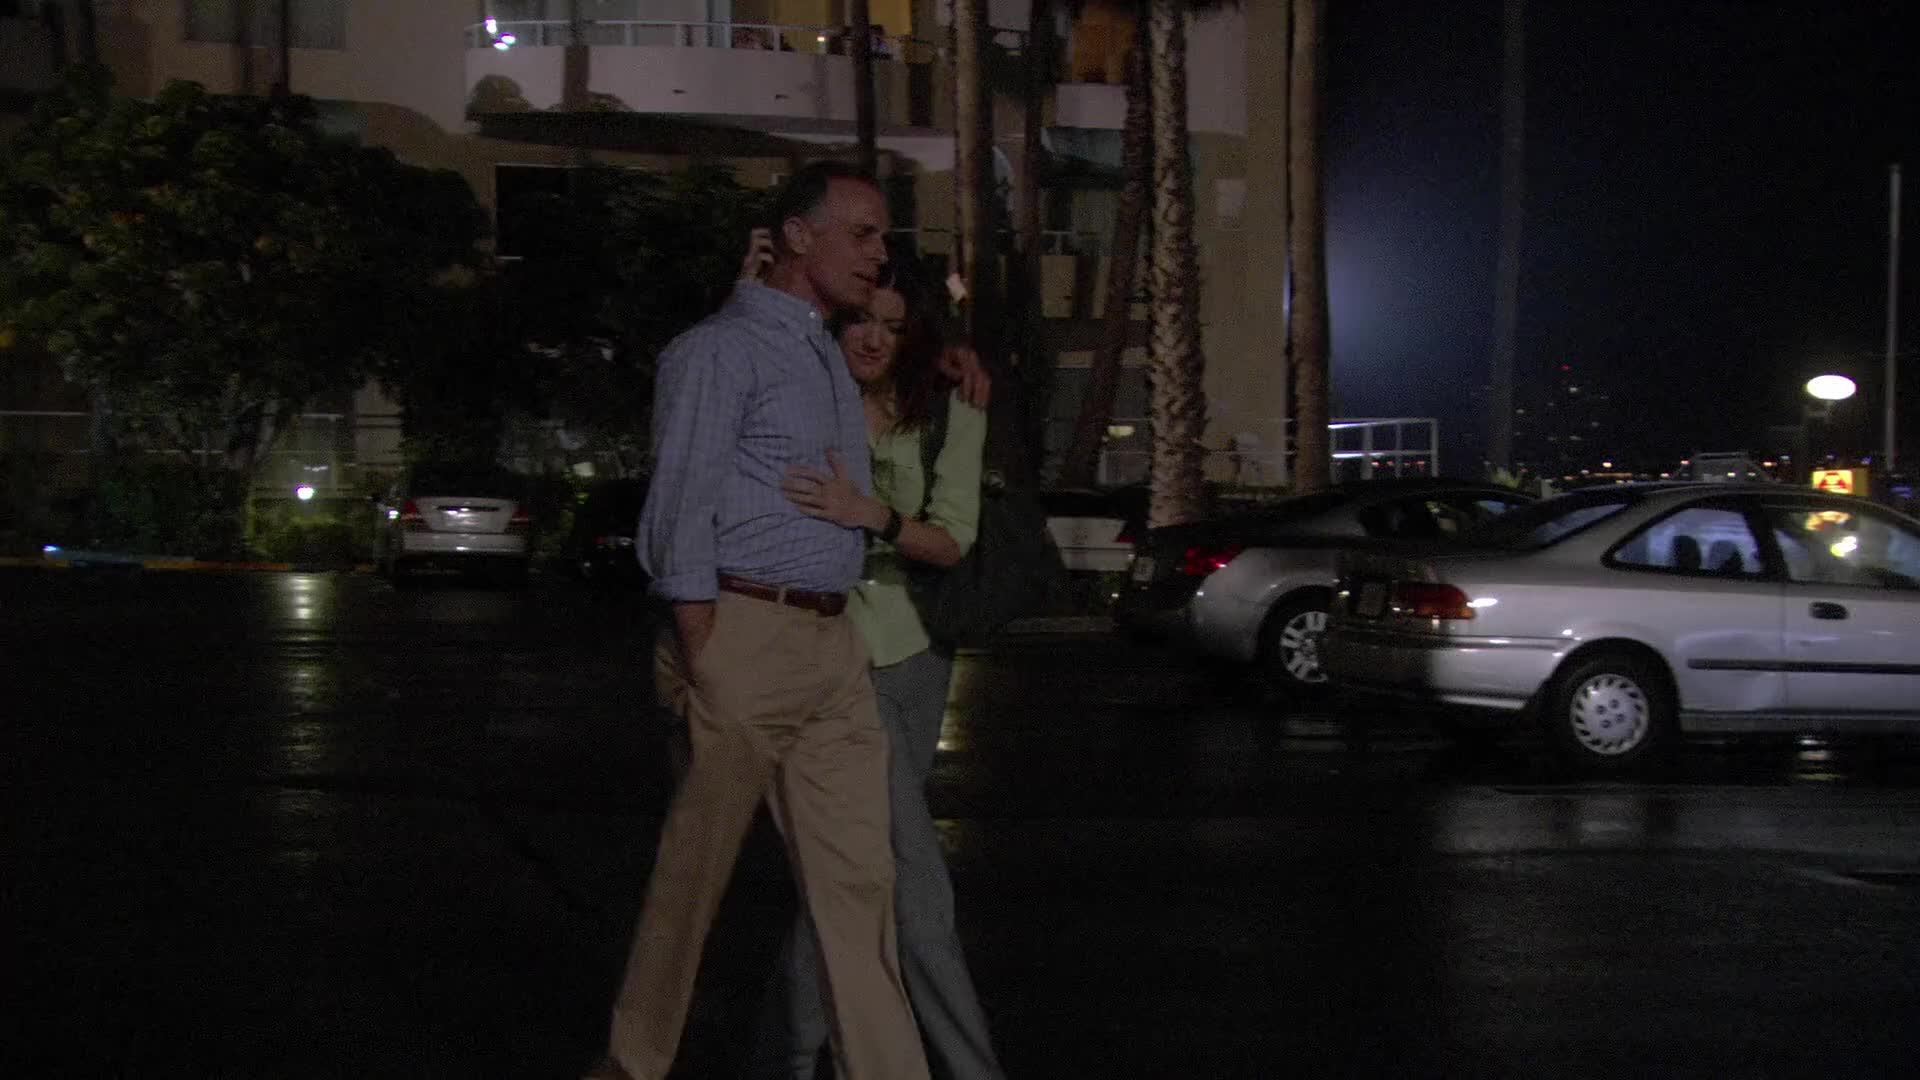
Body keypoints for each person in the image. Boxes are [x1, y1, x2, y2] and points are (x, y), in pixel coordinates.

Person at [588, 162, 930, 1080]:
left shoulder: (823, 351)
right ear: (797, 236)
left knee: (861, 885)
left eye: (884, 236)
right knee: (693, 877)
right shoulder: (717, 351)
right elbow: (679, 504)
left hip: (831, 646)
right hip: (745, 631)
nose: (879, 252)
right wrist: (708, 644)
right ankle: (634, 1062)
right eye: (860, 233)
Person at [741, 260, 1008, 1080]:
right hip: (826, 654)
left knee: (846, 874)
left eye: (894, 327)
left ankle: (779, 1059)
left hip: (915, 655)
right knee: (912, 890)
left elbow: (952, 539)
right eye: (862, 319)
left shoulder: (950, 407)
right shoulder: (806, 398)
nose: (873, 339)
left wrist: (872, 514)